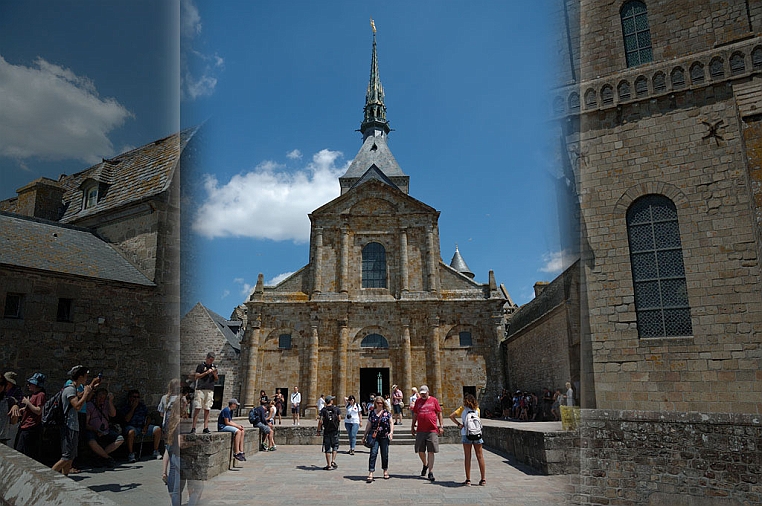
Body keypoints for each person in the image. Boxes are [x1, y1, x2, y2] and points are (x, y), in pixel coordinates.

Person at [52, 365, 100, 476]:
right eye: (85, 376)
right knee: (66, 457)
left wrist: (90, 388)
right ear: (80, 376)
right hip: (68, 425)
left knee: (71, 456)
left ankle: (65, 478)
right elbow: (77, 406)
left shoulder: (75, 389)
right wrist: (87, 393)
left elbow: (79, 397)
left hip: (74, 425)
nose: (86, 378)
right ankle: (48, 478)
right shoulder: (69, 388)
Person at [449, 393, 486, 486]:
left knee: (467, 457)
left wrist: (459, 425)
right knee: (480, 456)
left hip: (466, 434)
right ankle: (483, 479)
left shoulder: (462, 409)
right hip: (477, 434)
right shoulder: (477, 410)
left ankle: (468, 480)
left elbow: (451, 416)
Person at [411, 384, 443, 482]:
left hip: (432, 430)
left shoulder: (434, 400)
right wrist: (412, 426)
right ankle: (425, 464)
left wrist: (441, 426)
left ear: (428, 392)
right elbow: (415, 414)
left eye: (425, 393)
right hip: (420, 429)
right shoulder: (418, 401)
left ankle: (430, 472)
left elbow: (439, 413)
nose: (423, 395)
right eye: (422, 394)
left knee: (431, 451)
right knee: (420, 451)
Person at [120, 389, 163, 462]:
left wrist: (146, 426)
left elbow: (148, 417)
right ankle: (131, 453)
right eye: (134, 397)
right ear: (130, 397)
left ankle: (155, 450)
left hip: (142, 426)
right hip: (131, 426)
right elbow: (127, 419)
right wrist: (133, 408)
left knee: (157, 429)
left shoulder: (142, 406)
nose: (136, 399)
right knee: (131, 432)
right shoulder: (125, 407)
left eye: (138, 397)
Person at [86, 388, 124, 467]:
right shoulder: (89, 405)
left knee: (120, 439)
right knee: (91, 442)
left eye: (104, 397)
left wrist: (110, 401)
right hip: (93, 430)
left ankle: (100, 456)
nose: (101, 399)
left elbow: (113, 414)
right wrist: (95, 430)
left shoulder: (106, 404)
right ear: (96, 396)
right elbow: (86, 424)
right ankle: (107, 457)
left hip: (106, 430)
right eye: (100, 397)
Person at [13, 372, 47, 460]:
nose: (28, 385)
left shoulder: (40, 395)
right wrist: (24, 409)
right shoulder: (34, 395)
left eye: (30, 384)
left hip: (31, 427)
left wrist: (28, 403)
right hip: (25, 425)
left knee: (25, 451)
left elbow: (39, 411)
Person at [364, 395, 393, 482]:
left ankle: (385, 470)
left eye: (381, 403)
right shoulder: (372, 413)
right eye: (378, 403)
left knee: (385, 454)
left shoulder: (387, 413)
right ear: (375, 403)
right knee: (373, 453)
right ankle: (371, 472)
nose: (379, 404)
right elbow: (368, 425)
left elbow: (391, 423)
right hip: (374, 436)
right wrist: (364, 436)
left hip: (384, 435)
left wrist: (391, 432)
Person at [158, 379, 181, 484]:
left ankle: (164, 472)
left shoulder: (164, 398)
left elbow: (161, 413)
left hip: (166, 426)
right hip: (177, 426)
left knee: (167, 449)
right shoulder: (180, 399)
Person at [191, 352, 218, 434]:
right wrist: (206, 372)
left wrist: (213, 373)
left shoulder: (214, 367)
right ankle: (193, 427)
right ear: (207, 358)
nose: (211, 362)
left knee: (207, 408)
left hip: (210, 389)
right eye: (210, 360)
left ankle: (205, 427)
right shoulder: (201, 366)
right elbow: (196, 376)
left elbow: (216, 379)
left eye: (212, 360)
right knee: (198, 407)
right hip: (200, 389)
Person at [317, 395, 341, 470]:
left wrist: (318, 430)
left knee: (327, 448)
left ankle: (328, 465)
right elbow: (339, 419)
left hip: (327, 431)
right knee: (335, 445)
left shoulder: (323, 410)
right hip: (334, 430)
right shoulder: (336, 409)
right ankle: (333, 461)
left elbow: (320, 421)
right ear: (331, 401)